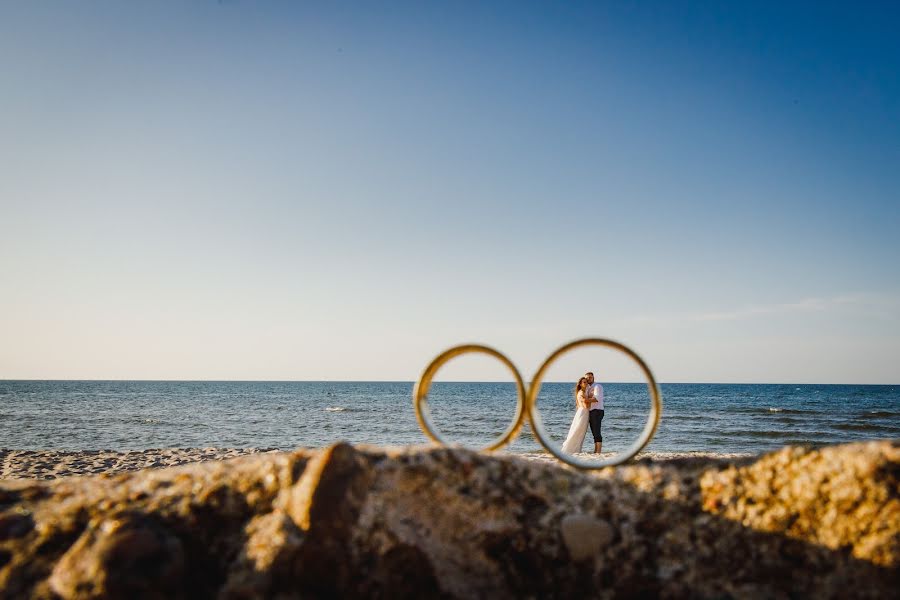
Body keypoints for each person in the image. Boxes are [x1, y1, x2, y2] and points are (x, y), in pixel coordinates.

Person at [561, 377, 590, 454]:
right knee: (577, 431)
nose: (586, 383)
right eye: (584, 382)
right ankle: (570, 449)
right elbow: (586, 406)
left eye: (586, 382)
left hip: (583, 413)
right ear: (580, 384)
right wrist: (591, 399)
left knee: (580, 432)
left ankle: (576, 449)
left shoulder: (583, 392)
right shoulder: (581, 393)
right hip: (583, 413)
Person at [585, 371, 604, 453]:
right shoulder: (588, 388)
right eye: (587, 378)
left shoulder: (597, 386)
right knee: (594, 432)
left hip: (597, 411)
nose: (588, 379)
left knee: (597, 431)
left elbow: (596, 399)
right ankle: (596, 450)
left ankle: (598, 451)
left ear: (593, 378)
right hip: (591, 411)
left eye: (590, 377)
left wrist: (584, 400)